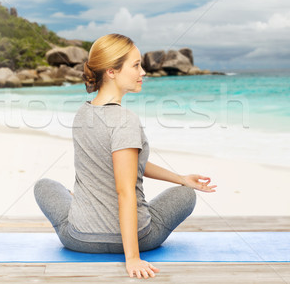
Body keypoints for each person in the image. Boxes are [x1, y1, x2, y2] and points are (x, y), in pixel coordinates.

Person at [34, 33, 216, 279]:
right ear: (111, 71)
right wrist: (132, 257)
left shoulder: (82, 114)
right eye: (136, 65)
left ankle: (81, 201)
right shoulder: (126, 121)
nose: (143, 72)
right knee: (186, 196)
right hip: (141, 239)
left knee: (44, 186)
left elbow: (130, 165)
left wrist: (180, 177)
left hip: (79, 238)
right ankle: (107, 221)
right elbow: (125, 190)